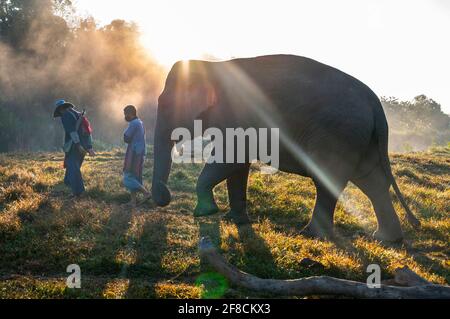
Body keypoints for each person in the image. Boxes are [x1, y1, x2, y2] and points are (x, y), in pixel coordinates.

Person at [53, 99, 95, 197]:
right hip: (83, 145)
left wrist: (78, 145)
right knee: (72, 166)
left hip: (75, 146)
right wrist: (89, 147)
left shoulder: (66, 116)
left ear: (60, 110)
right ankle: (68, 184)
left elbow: (72, 132)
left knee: (72, 167)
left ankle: (78, 193)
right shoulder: (78, 114)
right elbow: (87, 132)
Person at [122, 105, 151, 207]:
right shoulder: (140, 122)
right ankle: (133, 201)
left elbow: (126, 137)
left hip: (135, 153)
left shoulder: (134, 123)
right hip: (139, 151)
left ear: (131, 113)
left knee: (128, 176)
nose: (125, 116)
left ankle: (146, 193)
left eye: (126, 114)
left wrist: (125, 136)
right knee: (133, 175)